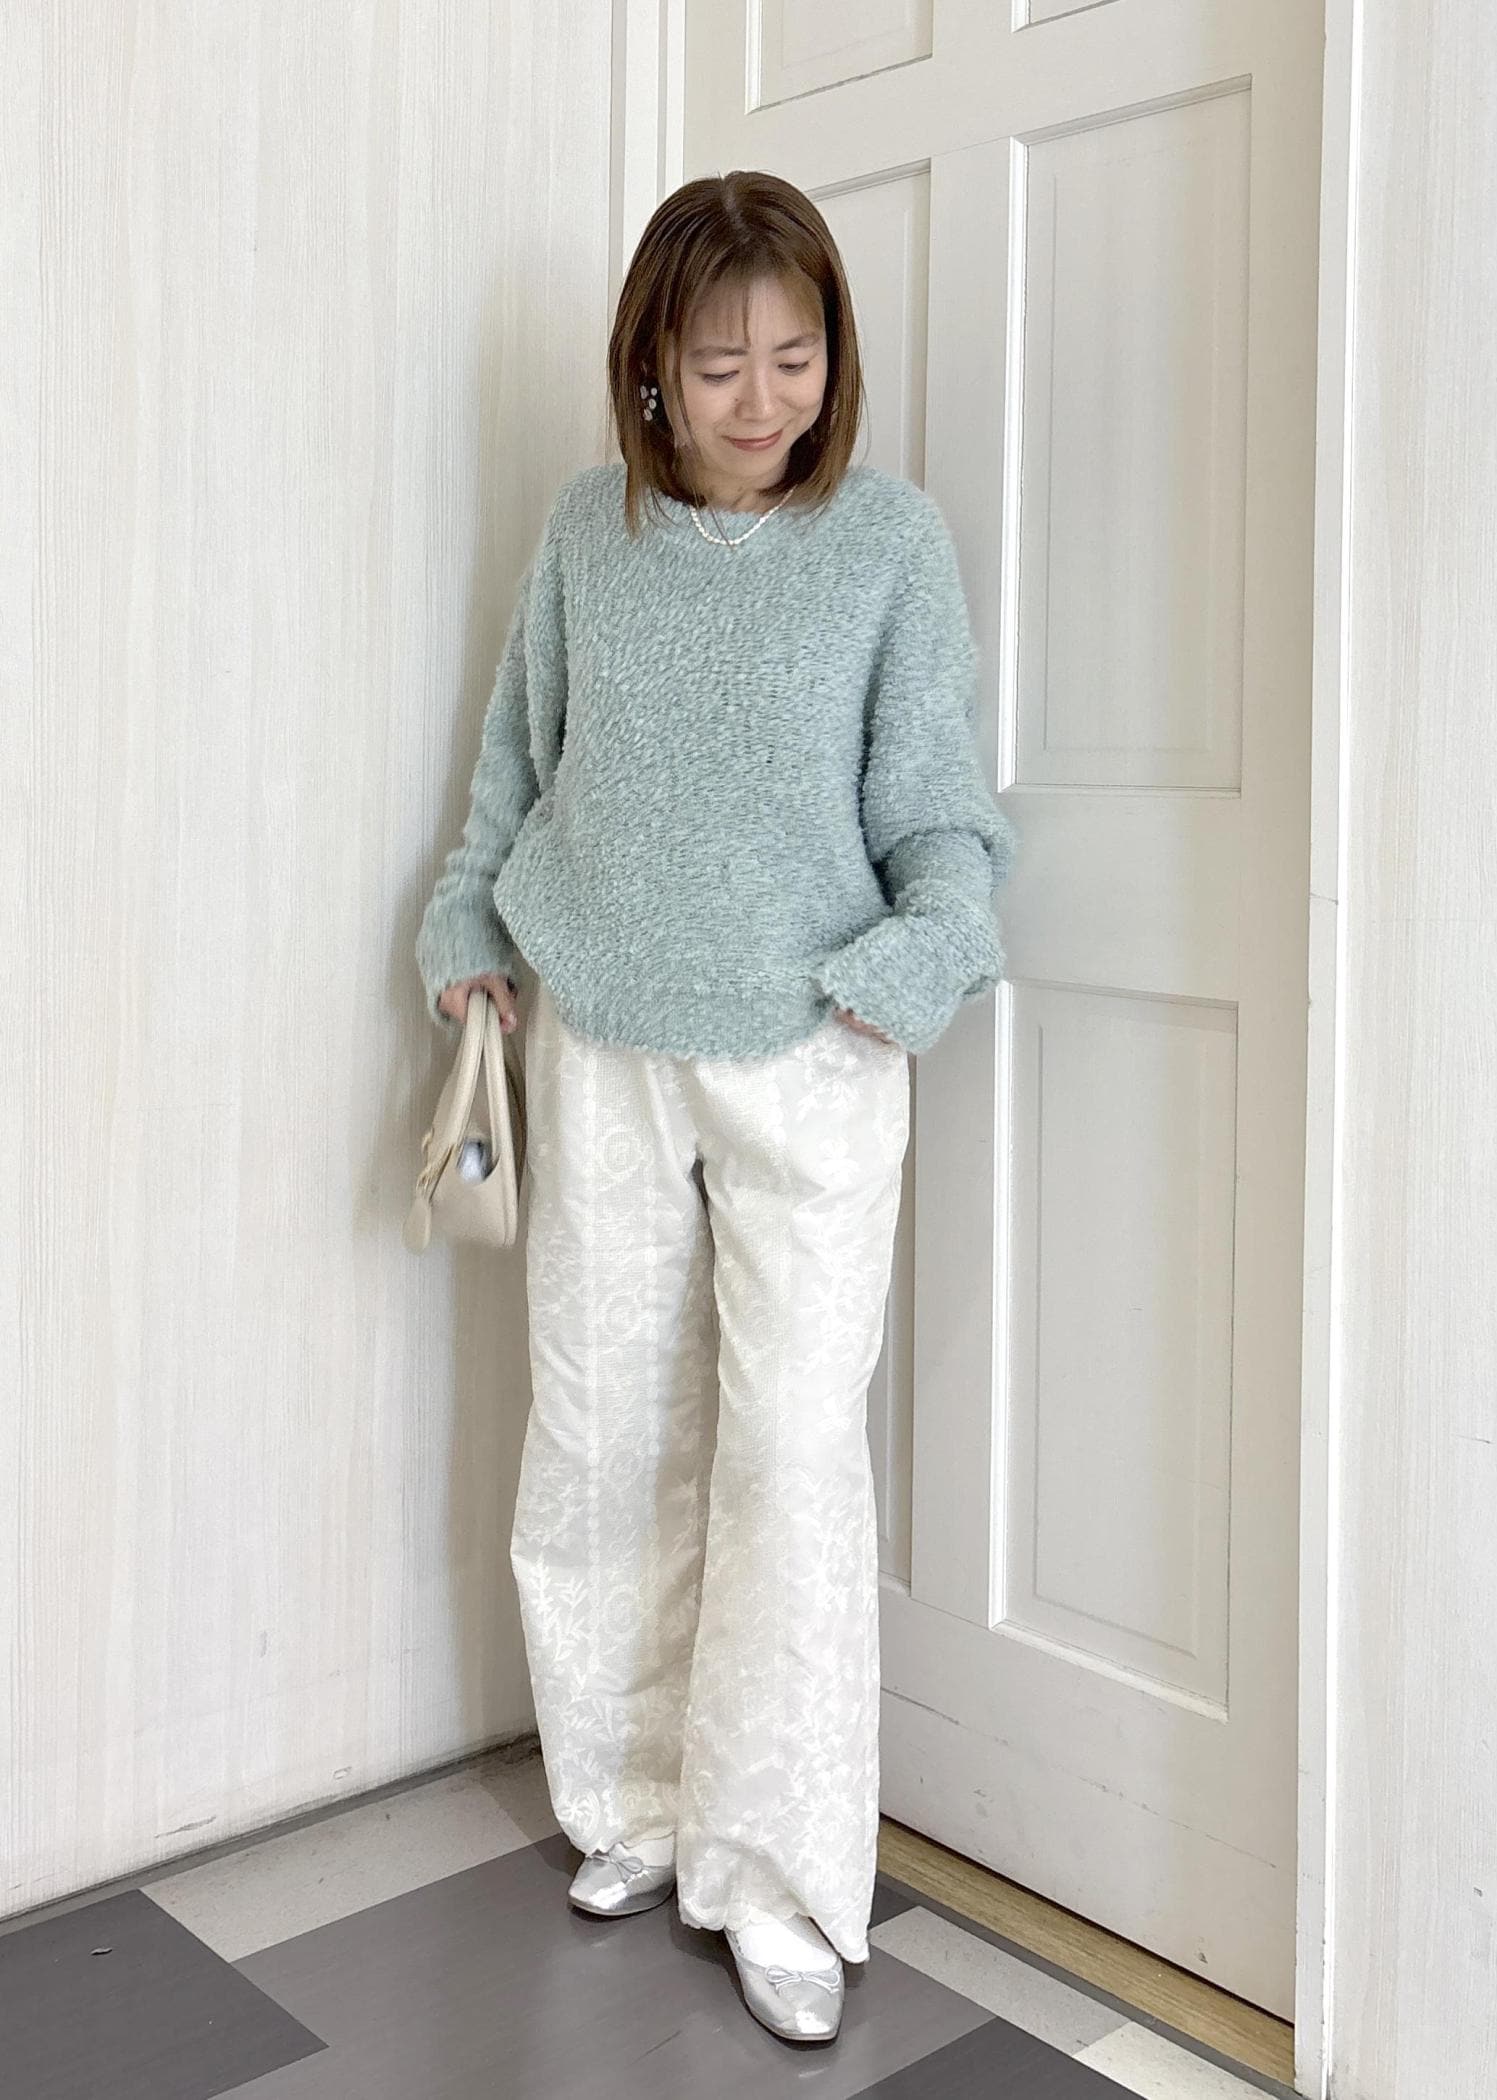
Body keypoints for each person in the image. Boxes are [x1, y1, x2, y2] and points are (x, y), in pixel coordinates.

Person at [415, 169, 1016, 2046]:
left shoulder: (890, 546)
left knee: (786, 1457)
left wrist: (917, 963)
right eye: (723, 360)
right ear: (652, 370)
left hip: (812, 1053)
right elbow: (517, 764)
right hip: (599, 1032)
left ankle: (779, 1872)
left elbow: (944, 820)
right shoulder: (584, 533)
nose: (765, 398)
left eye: (797, 354)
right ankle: (634, 1804)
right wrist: (466, 926)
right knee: (604, 1434)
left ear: (836, 356)